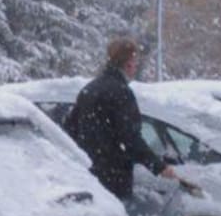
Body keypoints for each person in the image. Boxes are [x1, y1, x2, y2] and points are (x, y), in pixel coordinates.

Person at [65, 38, 192, 201]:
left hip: (88, 175)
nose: (136, 67)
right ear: (128, 63)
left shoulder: (89, 89)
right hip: (114, 177)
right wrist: (159, 167)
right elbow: (130, 139)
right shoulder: (121, 93)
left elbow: (70, 129)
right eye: (135, 62)